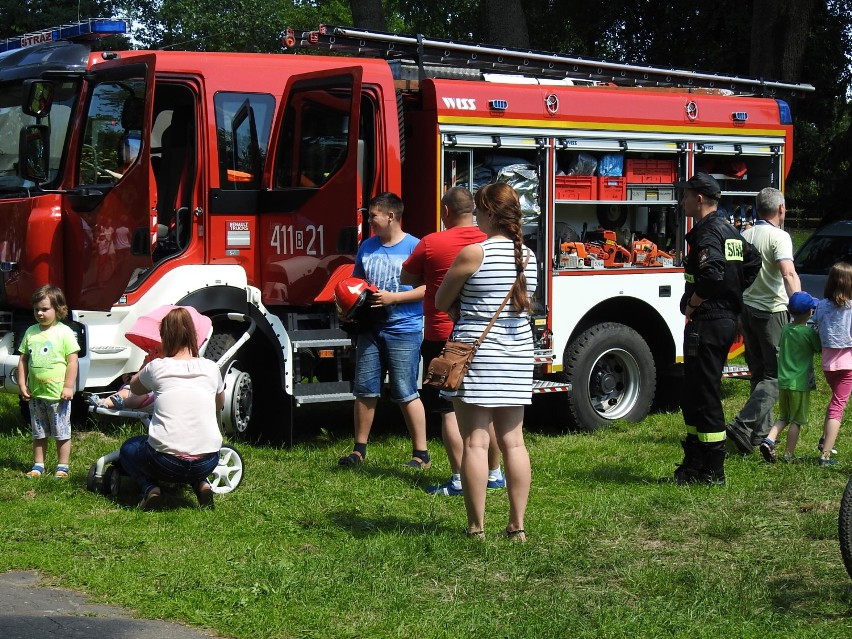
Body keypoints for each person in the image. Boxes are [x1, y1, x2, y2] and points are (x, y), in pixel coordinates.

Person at [435, 182, 538, 541]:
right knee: (514, 442)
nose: (475, 215)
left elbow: (439, 300)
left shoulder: (473, 253)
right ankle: (517, 526)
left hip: (478, 355)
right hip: (518, 353)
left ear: (491, 214)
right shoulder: (529, 256)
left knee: (476, 442)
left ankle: (476, 528)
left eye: (479, 209)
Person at [400, 186, 505, 496]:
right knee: (489, 409)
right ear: (473, 211)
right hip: (484, 337)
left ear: (445, 212)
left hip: (444, 337)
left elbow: (407, 279)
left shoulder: (432, 243)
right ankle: (495, 474)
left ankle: (459, 479)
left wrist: (434, 277)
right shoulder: (489, 241)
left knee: (449, 411)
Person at [673, 173, 760, 485]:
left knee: (704, 394)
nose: (681, 201)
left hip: (708, 321)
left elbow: (710, 275)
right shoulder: (731, 231)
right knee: (694, 391)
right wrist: (733, 291)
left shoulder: (708, 233)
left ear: (698, 199)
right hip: (722, 320)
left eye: (685, 196)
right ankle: (696, 461)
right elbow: (753, 262)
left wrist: (695, 303)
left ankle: (712, 469)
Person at [338, 192, 431, 469]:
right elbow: (356, 282)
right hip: (370, 329)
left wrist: (394, 298)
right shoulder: (367, 246)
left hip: (404, 329)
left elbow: (429, 288)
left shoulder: (416, 246)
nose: (370, 222)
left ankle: (421, 455)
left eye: (373, 216)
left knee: (405, 391)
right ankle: (359, 451)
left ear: (391, 216)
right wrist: (346, 301)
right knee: (365, 390)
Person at [119, 307, 225, 510]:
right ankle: (201, 482)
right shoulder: (211, 368)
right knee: (193, 453)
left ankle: (150, 488)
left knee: (129, 448)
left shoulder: (157, 366)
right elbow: (218, 404)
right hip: (209, 459)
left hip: (165, 462)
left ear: (165, 337)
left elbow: (134, 387)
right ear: (193, 335)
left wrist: (147, 363)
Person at [726, 188, 801, 453]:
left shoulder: (743, 235)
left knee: (759, 373)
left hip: (746, 310)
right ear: (780, 209)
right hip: (772, 312)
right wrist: (802, 306)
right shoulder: (779, 237)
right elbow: (788, 274)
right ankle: (742, 425)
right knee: (776, 376)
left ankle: (758, 435)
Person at [17, 284, 80, 479]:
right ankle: (38, 464)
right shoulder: (31, 332)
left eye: (45, 309)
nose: (40, 313)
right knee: (39, 432)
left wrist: (69, 386)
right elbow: (23, 360)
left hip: (57, 394)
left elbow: (72, 362)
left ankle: (62, 466)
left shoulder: (64, 333)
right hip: (36, 394)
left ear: (59, 309)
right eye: (37, 309)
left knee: (61, 432)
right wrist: (21, 384)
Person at [758, 291, 821, 463]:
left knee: (783, 417)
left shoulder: (786, 328)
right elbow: (818, 348)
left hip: (784, 381)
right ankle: (788, 454)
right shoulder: (808, 333)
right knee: (797, 420)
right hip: (799, 383)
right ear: (810, 312)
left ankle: (768, 440)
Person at [813, 262, 852, 466]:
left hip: (828, 364)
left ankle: (824, 440)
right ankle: (825, 455)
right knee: (838, 407)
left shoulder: (821, 305)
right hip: (849, 365)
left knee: (834, 403)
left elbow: (815, 326)